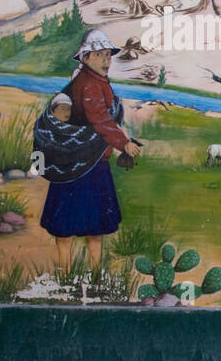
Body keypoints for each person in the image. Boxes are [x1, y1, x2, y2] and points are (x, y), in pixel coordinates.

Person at [40, 30, 143, 271]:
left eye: (108, 55)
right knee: (78, 228)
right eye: (100, 55)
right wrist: (123, 143)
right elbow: (100, 119)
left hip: (84, 163)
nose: (107, 61)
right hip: (83, 165)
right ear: (86, 58)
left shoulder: (93, 81)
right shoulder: (89, 85)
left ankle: (82, 276)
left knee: (89, 227)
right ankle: (70, 276)